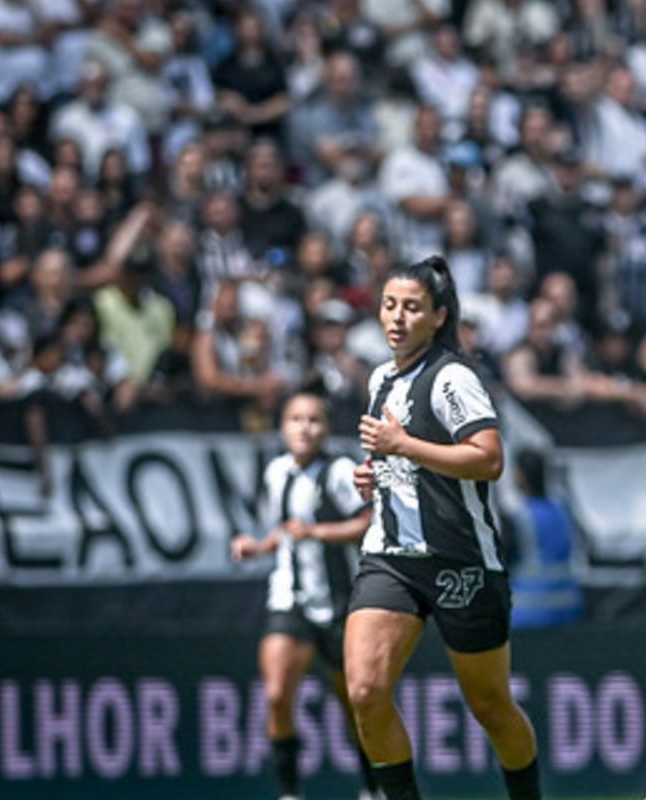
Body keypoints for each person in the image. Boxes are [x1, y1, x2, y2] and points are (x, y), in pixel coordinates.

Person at [349, 255, 541, 800]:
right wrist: (375, 475)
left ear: (438, 317)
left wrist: (403, 446)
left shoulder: (452, 377)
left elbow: (488, 458)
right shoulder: (380, 378)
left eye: (412, 308)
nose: (397, 317)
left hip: (461, 559)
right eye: (389, 305)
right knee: (365, 690)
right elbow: (399, 459)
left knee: (490, 705)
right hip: (390, 555)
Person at [230, 391, 378, 800]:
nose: (304, 428)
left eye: (313, 420)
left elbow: (369, 522)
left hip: (340, 602)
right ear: (283, 427)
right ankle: (290, 793)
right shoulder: (276, 472)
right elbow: (286, 528)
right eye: (296, 419)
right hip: (290, 599)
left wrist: (317, 532)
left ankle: (373, 788)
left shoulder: (340, 471)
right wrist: (259, 547)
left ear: (325, 428)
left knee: (356, 702)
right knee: (277, 693)